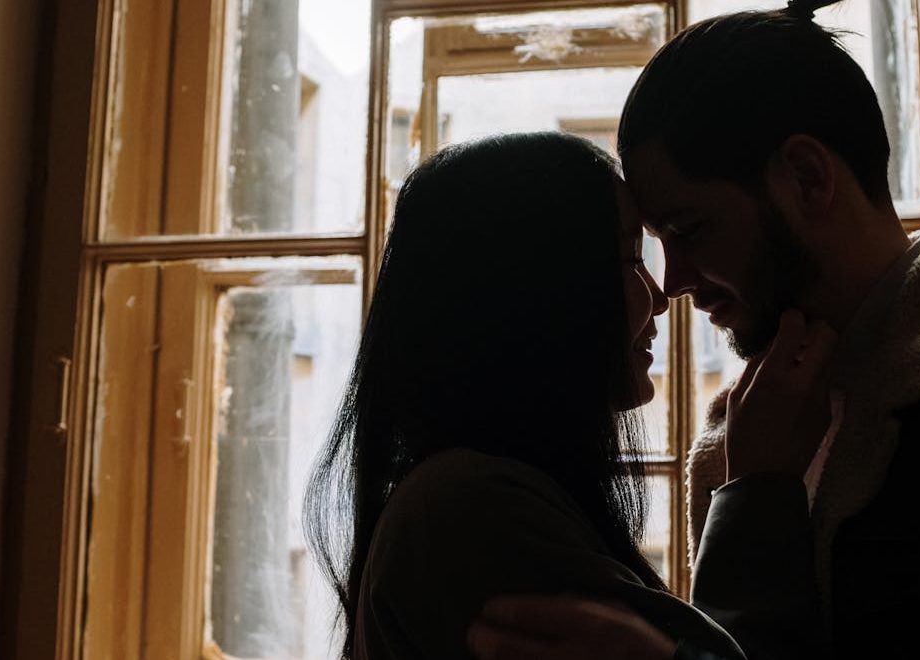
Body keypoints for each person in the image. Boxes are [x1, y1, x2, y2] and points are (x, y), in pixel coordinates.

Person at [469, 1, 920, 658]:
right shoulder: (766, 425)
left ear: (806, 177)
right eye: (652, 245)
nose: (673, 283)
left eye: (689, 230)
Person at [302, 131, 769, 660]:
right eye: (628, 259)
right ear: (538, 293)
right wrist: (755, 491)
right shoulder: (471, 513)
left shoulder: (467, 496)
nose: (660, 297)